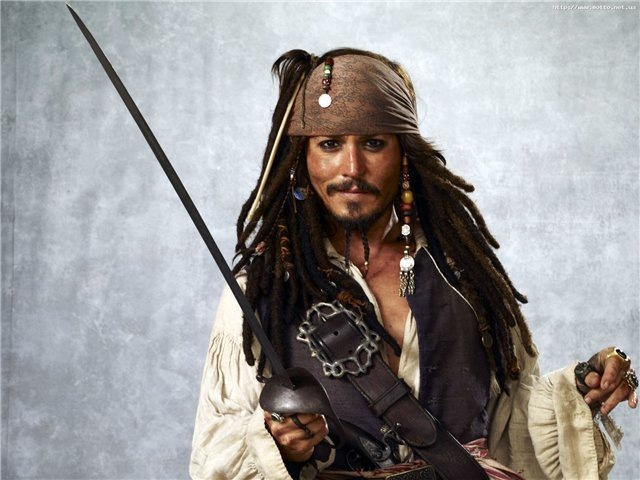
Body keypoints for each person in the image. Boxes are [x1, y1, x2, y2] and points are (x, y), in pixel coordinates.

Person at [190, 48, 637, 480]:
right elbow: (214, 455)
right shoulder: (260, 293)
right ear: (303, 160)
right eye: (329, 144)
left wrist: (585, 384)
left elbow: (508, 423)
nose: (352, 167)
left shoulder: (462, 275)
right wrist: (275, 443)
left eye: (373, 143)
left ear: (404, 154)